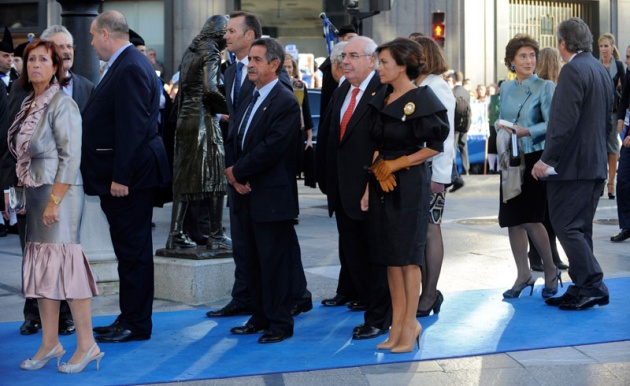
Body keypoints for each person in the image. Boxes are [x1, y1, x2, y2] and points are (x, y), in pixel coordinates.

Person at [8, 39, 102, 373]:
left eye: (43, 60)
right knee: (44, 271)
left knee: (68, 270)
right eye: (30, 59)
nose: (35, 64)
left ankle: (88, 344)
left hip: (60, 194)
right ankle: (50, 343)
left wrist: (55, 201)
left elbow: (70, 156)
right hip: (35, 194)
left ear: (56, 67)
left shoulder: (63, 104)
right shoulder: (29, 103)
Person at [81, 10, 171, 342]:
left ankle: (136, 322)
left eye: (92, 35)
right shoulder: (127, 62)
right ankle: (130, 316)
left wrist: (121, 177)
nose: (90, 43)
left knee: (133, 252)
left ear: (106, 33)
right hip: (127, 176)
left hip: (129, 179)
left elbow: (132, 127)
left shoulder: (130, 65)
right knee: (128, 251)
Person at [363, 37, 449, 352]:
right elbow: (375, 141)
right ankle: (397, 326)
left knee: (408, 259)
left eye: (384, 62)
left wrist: (398, 163)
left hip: (410, 184)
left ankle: (411, 324)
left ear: (402, 66)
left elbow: (434, 145)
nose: (379, 67)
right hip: (382, 182)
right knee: (390, 258)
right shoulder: (382, 96)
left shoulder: (422, 98)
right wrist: (373, 175)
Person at [225, 37, 302, 343]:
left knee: (274, 262)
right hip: (244, 192)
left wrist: (239, 171)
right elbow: (235, 137)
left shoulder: (284, 100)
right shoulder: (251, 96)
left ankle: (279, 323)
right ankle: (258, 317)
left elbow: (273, 147)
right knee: (252, 260)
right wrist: (233, 174)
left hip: (271, 195)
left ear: (274, 65)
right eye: (250, 61)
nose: (250, 66)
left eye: (257, 60)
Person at [532, 17, 612, 311]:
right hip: (593, 164)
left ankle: (592, 283)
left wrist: (546, 160)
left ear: (562, 44)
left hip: (571, 168)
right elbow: (606, 122)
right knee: (580, 228)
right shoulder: (599, 69)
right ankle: (583, 286)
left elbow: (562, 124)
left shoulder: (573, 71)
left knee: (566, 226)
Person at [319, 36, 391, 340]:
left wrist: (370, 187)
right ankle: (368, 308)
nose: (344, 62)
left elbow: (385, 145)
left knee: (376, 260)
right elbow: (330, 138)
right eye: (342, 56)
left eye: (352, 56)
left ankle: (379, 319)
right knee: (356, 258)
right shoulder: (343, 90)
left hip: (370, 193)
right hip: (342, 192)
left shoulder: (384, 92)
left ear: (372, 60)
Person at [495, 34, 560, 300]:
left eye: (532, 55)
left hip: (533, 159)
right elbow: (500, 118)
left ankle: (551, 269)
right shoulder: (506, 88)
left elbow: (552, 124)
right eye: (522, 56)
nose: (529, 60)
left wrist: (527, 131)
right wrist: (502, 127)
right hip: (509, 159)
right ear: (511, 61)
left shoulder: (545, 86)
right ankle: (523, 275)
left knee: (533, 219)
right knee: (513, 221)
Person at [165, 15, 233, 251]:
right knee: (215, 177)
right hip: (203, 120)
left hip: (185, 120)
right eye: (228, 33)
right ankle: (215, 234)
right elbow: (211, 89)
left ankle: (175, 233)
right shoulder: (211, 51)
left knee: (184, 179)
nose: (229, 38)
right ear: (219, 33)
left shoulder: (190, 51)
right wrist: (233, 109)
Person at [408, 35, 455, 317]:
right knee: (420, 231)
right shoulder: (420, 85)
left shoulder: (438, 87)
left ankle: (430, 293)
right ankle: (422, 291)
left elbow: (445, 137)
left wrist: (440, 176)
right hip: (416, 170)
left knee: (431, 228)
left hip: (432, 171)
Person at [527, 47, 569, 272]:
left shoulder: (539, 86)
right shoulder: (549, 86)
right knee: (545, 209)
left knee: (542, 209)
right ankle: (543, 254)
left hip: (536, 151)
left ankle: (543, 254)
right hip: (545, 152)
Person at [598, 33, 624, 199]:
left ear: (612, 47)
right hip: (598, 111)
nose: (603, 49)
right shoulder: (595, 64)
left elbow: (626, 91)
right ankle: (600, 181)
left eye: (606, 46)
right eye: (601, 46)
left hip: (614, 111)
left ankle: (610, 184)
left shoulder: (619, 66)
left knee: (612, 147)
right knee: (599, 146)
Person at [283, 53, 315, 186]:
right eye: (284, 66)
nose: (287, 69)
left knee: (294, 168)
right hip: (282, 131)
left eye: (289, 66)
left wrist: (309, 139)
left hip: (297, 131)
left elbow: (306, 111)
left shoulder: (299, 85)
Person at [612, 44, 630, 243]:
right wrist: (620, 119)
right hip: (626, 138)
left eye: (629, 57)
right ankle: (627, 225)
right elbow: (625, 98)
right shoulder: (629, 73)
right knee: (623, 182)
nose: (626, 61)